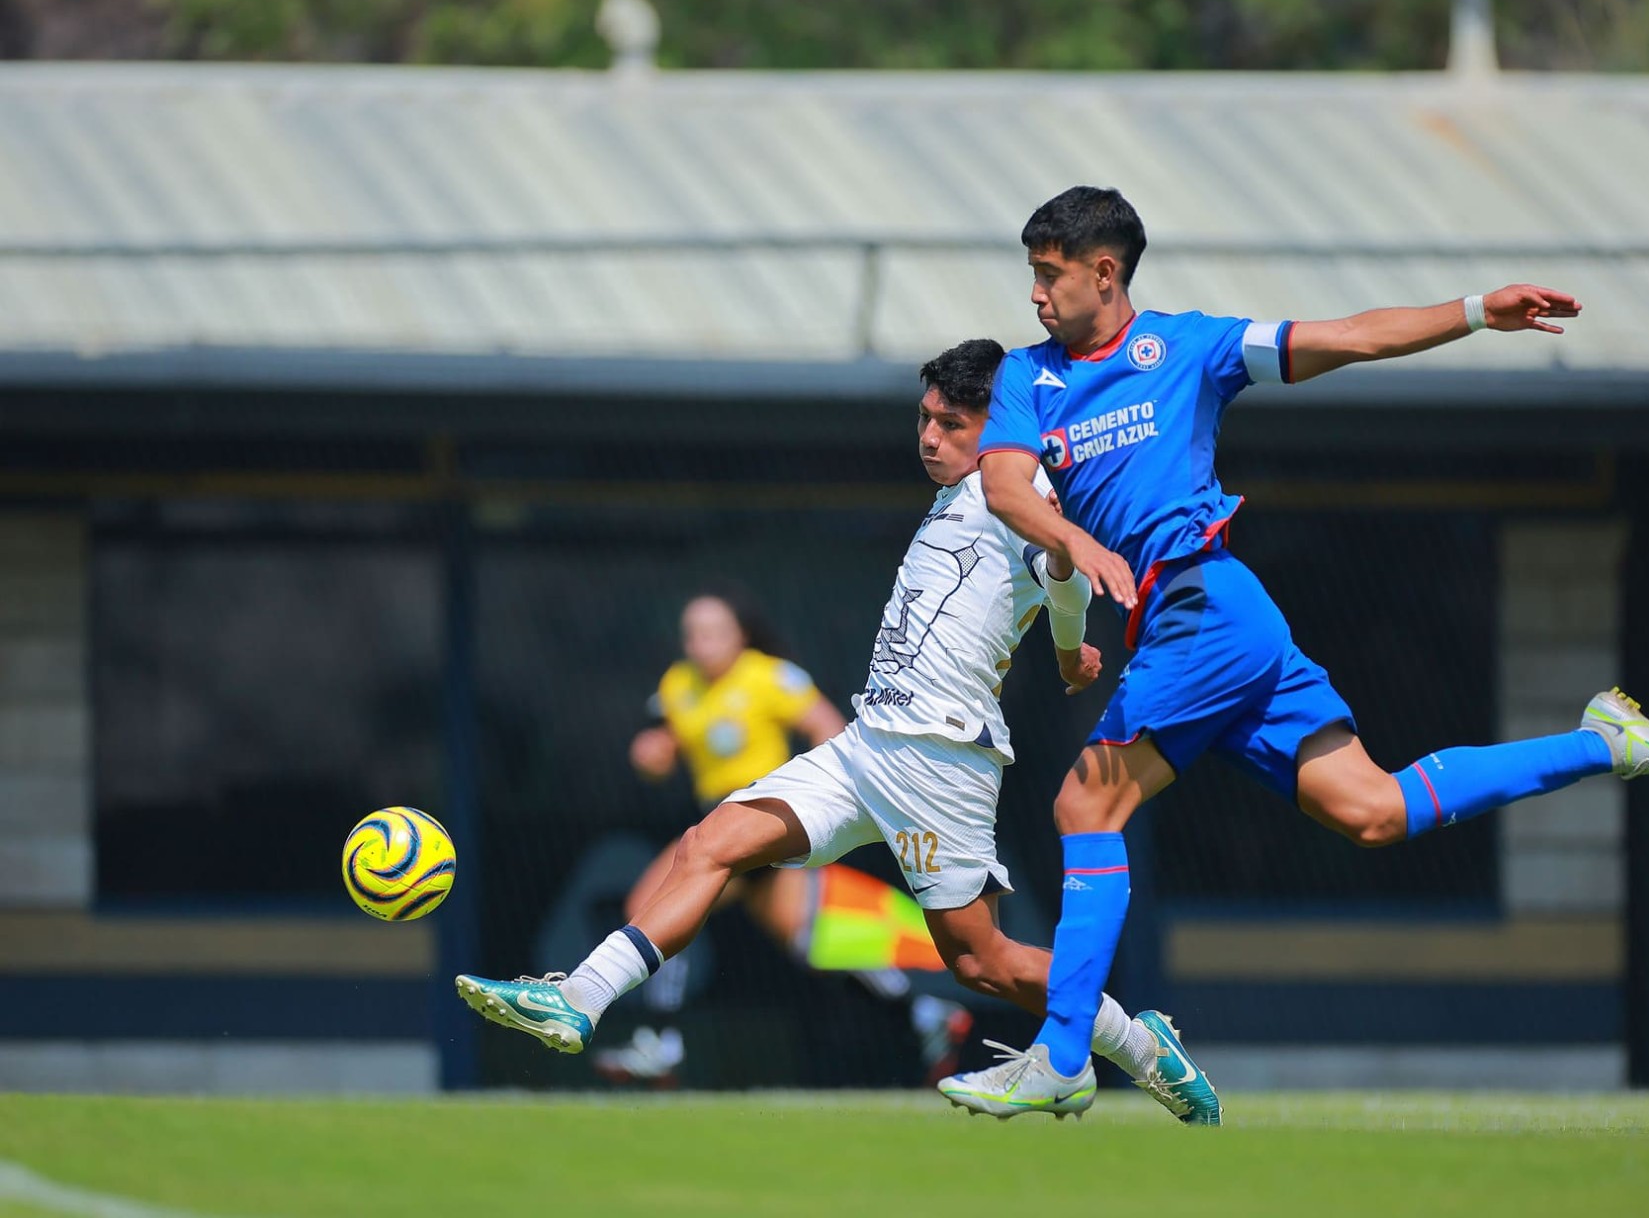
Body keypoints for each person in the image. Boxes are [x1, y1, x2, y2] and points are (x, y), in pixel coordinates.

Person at [939, 185, 1649, 1117]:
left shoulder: (1190, 348)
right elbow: (1007, 489)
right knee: (1374, 811)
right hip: (1210, 626)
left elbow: (1351, 336)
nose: (1035, 294)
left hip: (1204, 603)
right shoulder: (1027, 377)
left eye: (1050, 274)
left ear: (1104, 272)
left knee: (1084, 806)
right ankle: (1601, 742)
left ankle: (1065, 1054)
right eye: (1032, 274)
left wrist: (1479, 311)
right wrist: (1079, 548)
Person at [456, 339, 1223, 1125]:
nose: (929, 438)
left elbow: (1062, 568)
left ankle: (1141, 1045)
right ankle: (580, 999)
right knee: (708, 843)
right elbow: (1057, 584)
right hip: (868, 745)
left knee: (982, 962)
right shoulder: (965, 492)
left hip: (939, 762)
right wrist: (1066, 650)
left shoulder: (1020, 493)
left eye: (951, 424)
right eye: (923, 418)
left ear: (998, 426)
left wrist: (1067, 643)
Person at [596, 586, 969, 1086]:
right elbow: (660, 750)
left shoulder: (768, 676)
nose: (702, 643)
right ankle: (924, 1014)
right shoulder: (679, 683)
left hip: (762, 817)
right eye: (693, 634)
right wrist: (652, 754)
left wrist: (812, 798)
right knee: (808, 941)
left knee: (654, 903)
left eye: (714, 632)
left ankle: (661, 1043)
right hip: (718, 821)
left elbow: (828, 727)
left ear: (740, 636)